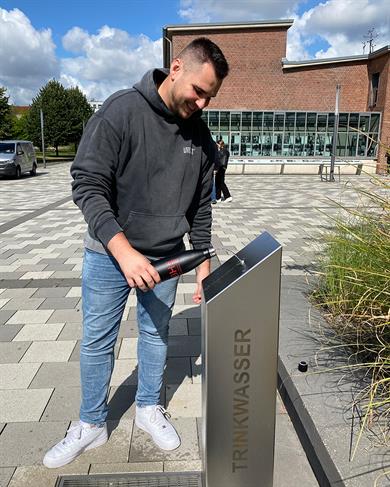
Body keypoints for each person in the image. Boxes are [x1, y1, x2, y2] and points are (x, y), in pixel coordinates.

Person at [43, 37, 229, 469]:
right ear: (177, 68)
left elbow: (202, 207)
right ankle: (90, 422)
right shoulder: (121, 110)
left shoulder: (199, 135)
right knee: (96, 341)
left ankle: (148, 408)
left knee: (155, 334)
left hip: (165, 258)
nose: (202, 103)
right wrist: (124, 252)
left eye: (211, 97)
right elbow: (87, 184)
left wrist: (203, 265)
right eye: (199, 91)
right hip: (110, 254)